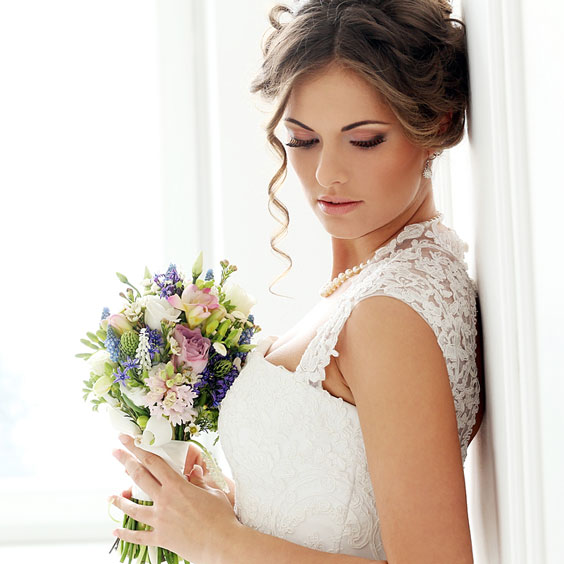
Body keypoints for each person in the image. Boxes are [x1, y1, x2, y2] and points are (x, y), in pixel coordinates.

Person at [109, 1, 485, 562]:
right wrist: (222, 507)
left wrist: (217, 541)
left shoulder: (393, 311)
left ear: (438, 126)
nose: (325, 174)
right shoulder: (374, 282)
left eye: (364, 140)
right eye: (303, 141)